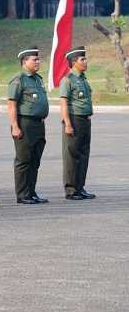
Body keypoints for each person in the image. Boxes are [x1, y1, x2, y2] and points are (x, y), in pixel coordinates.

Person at [8, 46, 49, 205]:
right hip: (25, 123)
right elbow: (12, 105)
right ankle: (23, 194)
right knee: (24, 160)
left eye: (38, 59)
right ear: (25, 61)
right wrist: (15, 126)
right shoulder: (19, 80)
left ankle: (31, 192)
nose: (38, 62)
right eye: (34, 59)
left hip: (38, 124)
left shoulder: (38, 78)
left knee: (35, 160)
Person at [60, 45, 95, 201]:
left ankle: (80, 187)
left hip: (85, 121)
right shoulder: (68, 80)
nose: (86, 62)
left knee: (83, 155)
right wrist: (67, 123)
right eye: (83, 59)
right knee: (72, 156)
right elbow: (63, 103)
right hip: (74, 120)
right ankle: (71, 189)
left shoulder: (83, 79)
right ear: (74, 62)